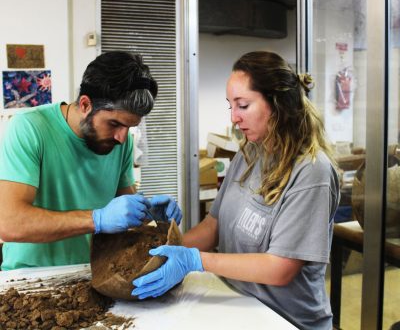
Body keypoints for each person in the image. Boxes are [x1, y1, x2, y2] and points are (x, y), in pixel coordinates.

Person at [132, 51, 340, 330]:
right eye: (230, 106)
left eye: (243, 105)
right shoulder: (250, 153)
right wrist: (161, 249)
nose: (234, 118)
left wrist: (195, 260)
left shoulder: (311, 171)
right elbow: (213, 225)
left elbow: (280, 269)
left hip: (286, 320)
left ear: (278, 104)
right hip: (238, 305)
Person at [0, 51, 182, 270]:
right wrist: (97, 219)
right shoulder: (29, 129)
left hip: (95, 275)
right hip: (31, 280)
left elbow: (123, 213)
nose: (122, 137)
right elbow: (9, 223)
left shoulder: (120, 142)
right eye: (114, 124)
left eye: (129, 127)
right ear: (85, 105)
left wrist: (148, 213)